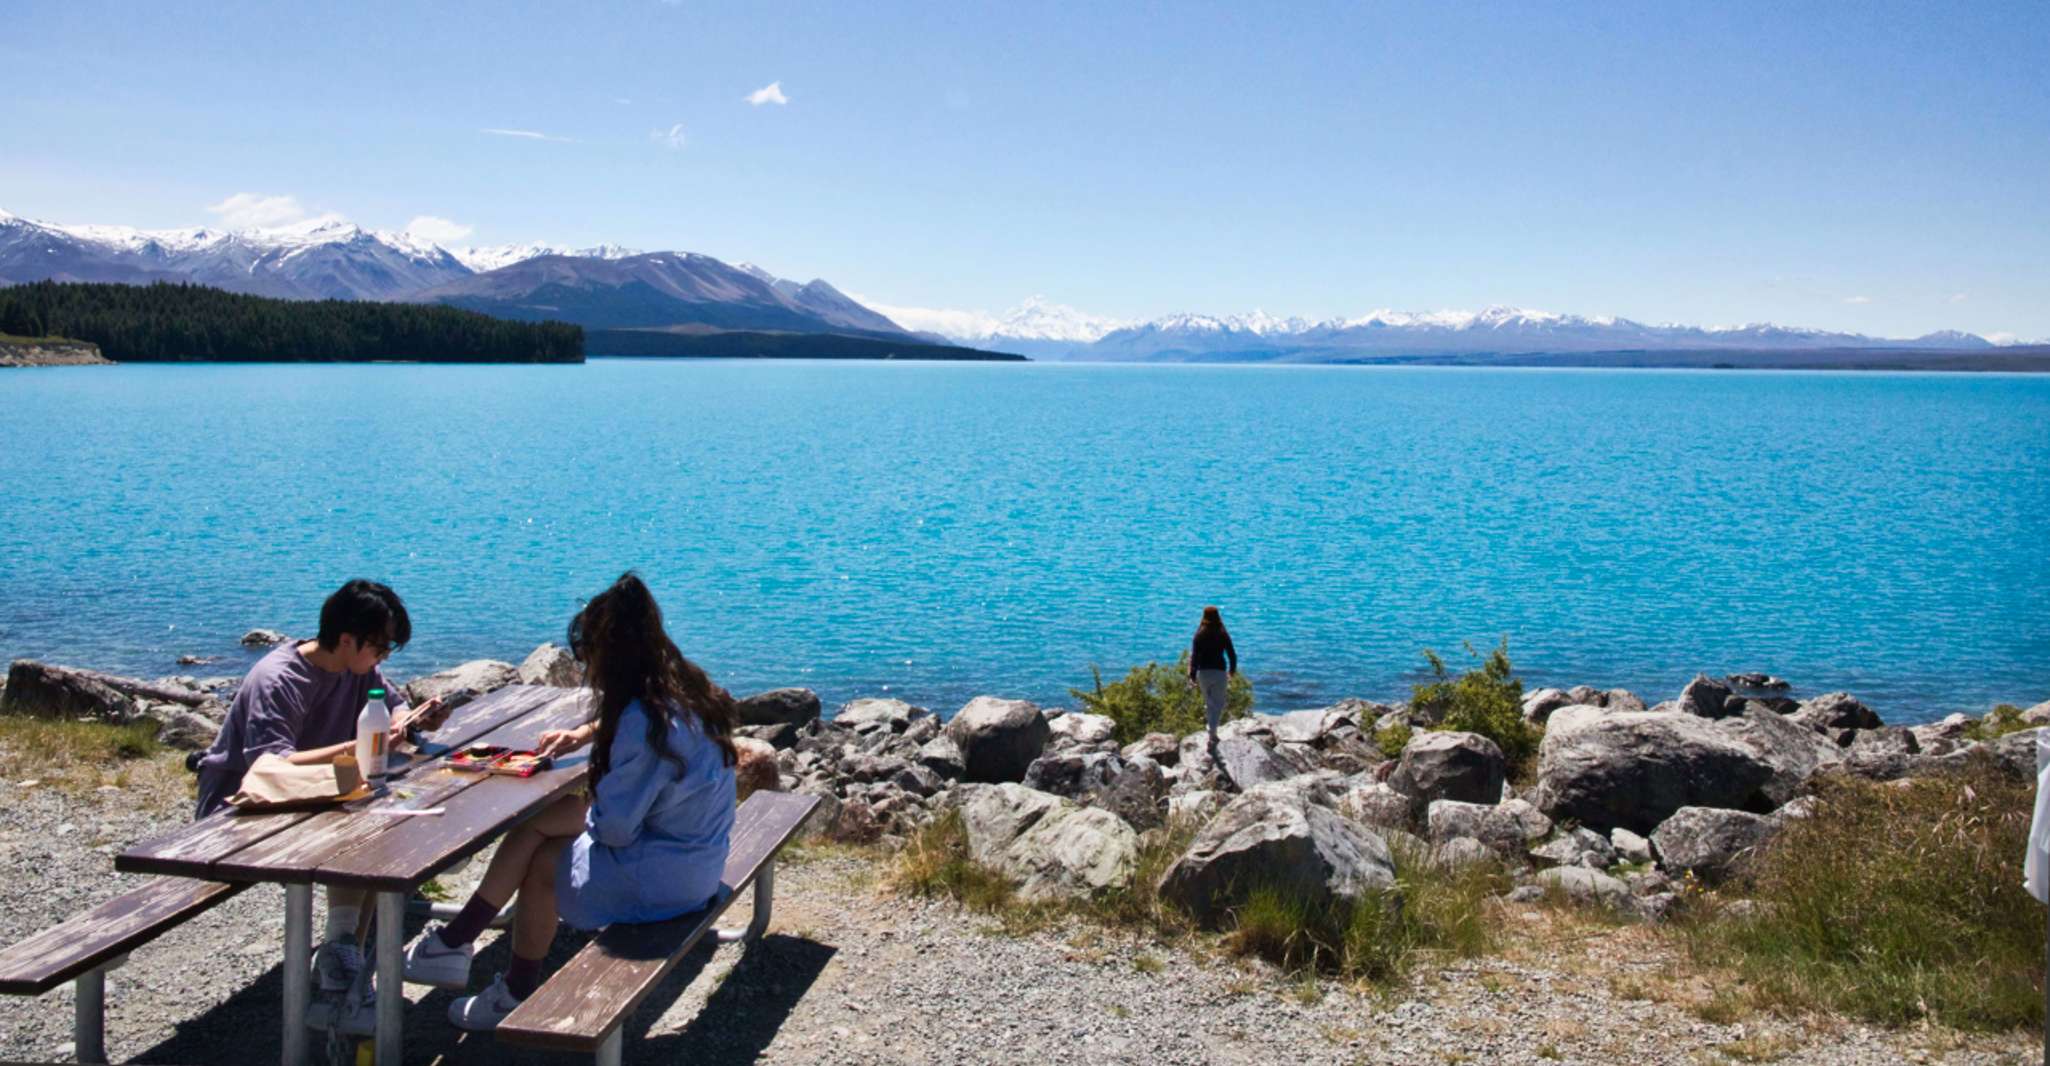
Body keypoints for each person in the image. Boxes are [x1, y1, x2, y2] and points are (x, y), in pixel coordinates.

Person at [402, 571, 739, 1031]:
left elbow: (617, 828)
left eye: (585, 655)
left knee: (542, 861)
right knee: (541, 827)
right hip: (698, 858)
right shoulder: (689, 692)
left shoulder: (644, 723)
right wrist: (585, 735)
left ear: (609, 655)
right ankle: (456, 944)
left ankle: (498, 978)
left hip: (667, 879)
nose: (586, 668)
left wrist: (584, 813)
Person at [192, 579, 450, 997]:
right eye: (380, 647)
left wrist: (413, 720)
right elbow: (269, 765)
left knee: (377, 819)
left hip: (319, 793)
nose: (383, 657)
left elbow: (392, 702)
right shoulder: (279, 680)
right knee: (365, 831)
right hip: (241, 807)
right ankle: (343, 951)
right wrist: (364, 745)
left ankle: (345, 947)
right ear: (347, 639)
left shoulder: (357, 668)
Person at [1186, 605, 1238, 749]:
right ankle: (1212, 733)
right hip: (1219, 672)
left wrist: (1192, 676)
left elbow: (1194, 657)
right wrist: (1232, 670)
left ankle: (1211, 728)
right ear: (1217, 616)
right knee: (1218, 703)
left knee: (1209, 702)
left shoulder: (1199, 634)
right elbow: (1232, 654)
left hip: (1203, 673)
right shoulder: (1222, 633)